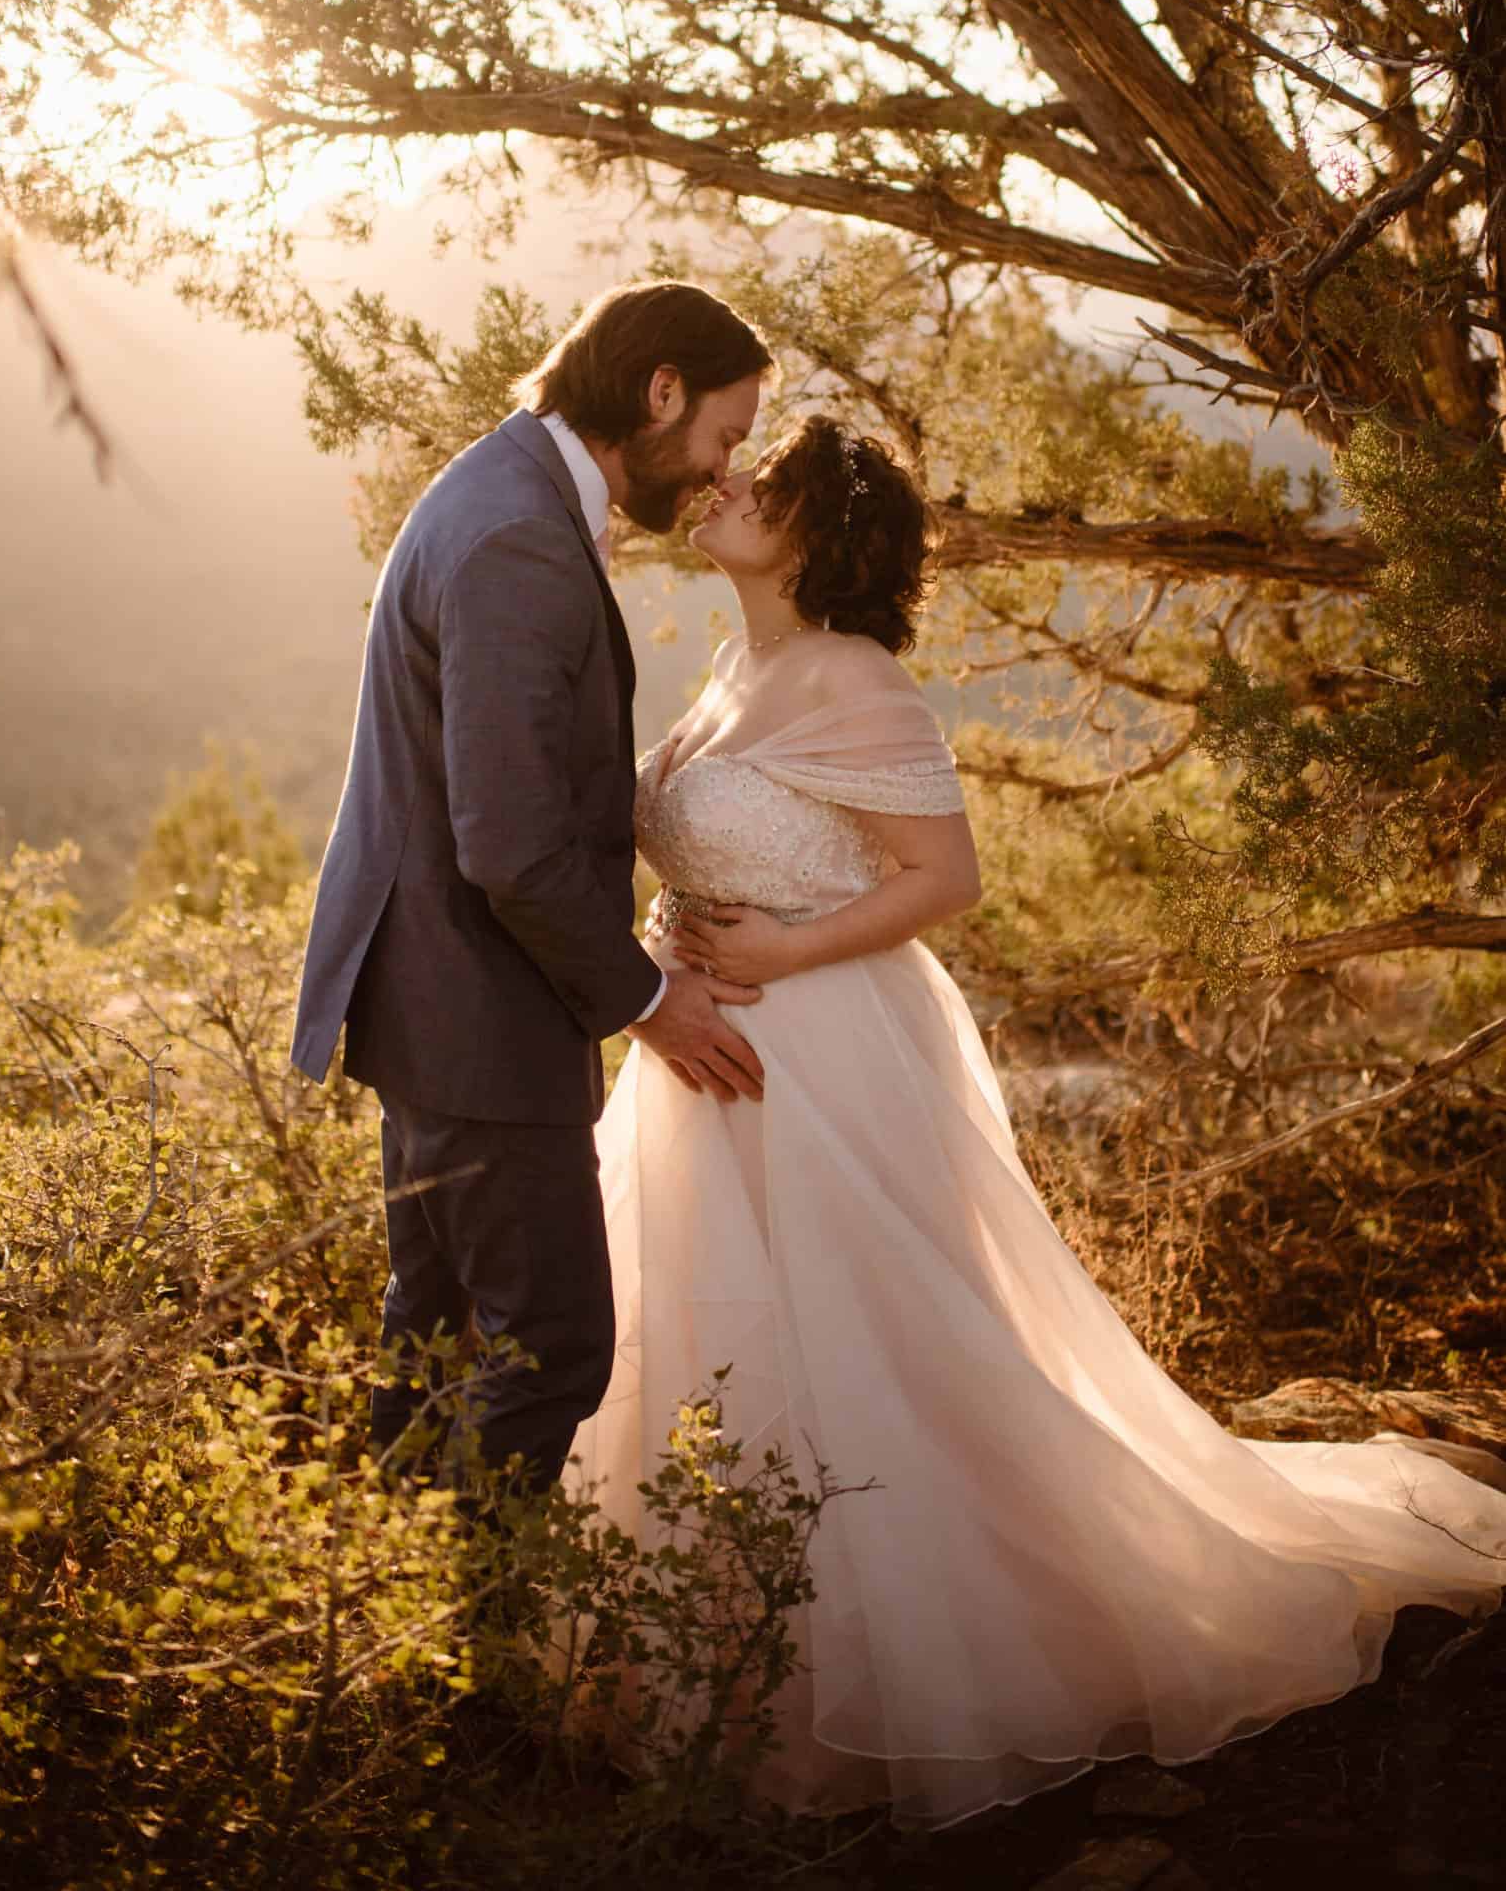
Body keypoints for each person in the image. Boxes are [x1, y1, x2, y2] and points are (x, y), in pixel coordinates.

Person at [563, 411, 1506, 1830]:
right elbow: (712, 840)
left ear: (819, 531)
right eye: (730, 467)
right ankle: (719, 1643)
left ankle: (922, 1650)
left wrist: (777, 954)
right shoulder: (730, 672)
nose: (724, 484)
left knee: (873, 1338)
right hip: (708, 1053)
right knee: (715, 1337)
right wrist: (674, 932)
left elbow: (946, 878)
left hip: (817, 1050)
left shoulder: (854, 678)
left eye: (764, 481)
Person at [288, 279, 774, 1496]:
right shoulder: (517, 537)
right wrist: (643, 996)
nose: (717, 471)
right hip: (479, 1019)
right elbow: (507, 841)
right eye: (722, 434)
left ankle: (401, 1644)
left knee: (441, 1337)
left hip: (434, 1013)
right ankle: (477, 1670)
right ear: (658, 391)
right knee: (548, 1346)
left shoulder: (502, 488)